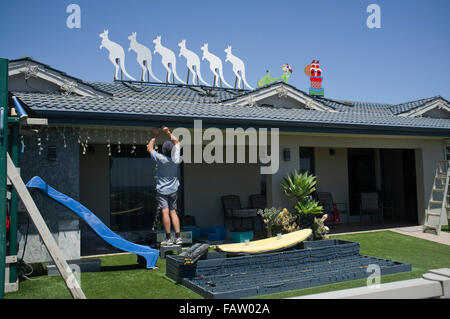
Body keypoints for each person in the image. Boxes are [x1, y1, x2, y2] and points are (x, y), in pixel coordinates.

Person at [147, 126, 182, 246]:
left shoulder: (161, 159)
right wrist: (168, 132)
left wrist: (154, 136)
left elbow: (149, 148)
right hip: (173, 190)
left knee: (165, 212)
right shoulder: (176, 159)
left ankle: (168, 238)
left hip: (162, 190)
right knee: (173, 212)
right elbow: (177, 142)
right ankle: (178, 236)